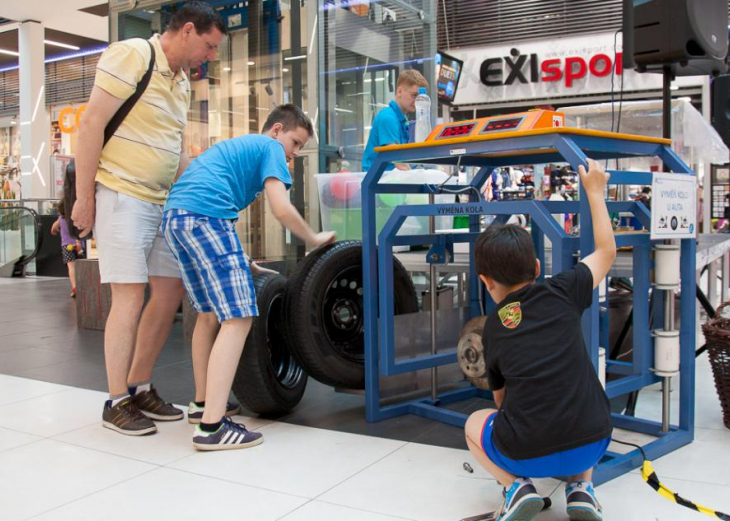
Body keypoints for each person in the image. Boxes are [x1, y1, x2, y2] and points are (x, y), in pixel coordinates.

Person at [71, 1, 227, 436]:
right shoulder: (133, 54)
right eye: (210, 47)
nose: (210, 57)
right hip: (121, 194)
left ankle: (139, 386)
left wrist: (194, 200)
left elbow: (175, 152)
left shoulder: (181, 85)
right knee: (129, 294)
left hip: (162, 204)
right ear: (189, 31)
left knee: (170, 288)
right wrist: (85, 198)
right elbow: (91, 125)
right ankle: (116, 399)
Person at [161, 104, 336, 450]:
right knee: (238, 317)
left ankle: (201, 406)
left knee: (208, 315)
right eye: (295, 143)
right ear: (276, 130)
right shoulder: (269, 147)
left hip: (177, 218)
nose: (295, 154)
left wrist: (242, 262)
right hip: (204, 218)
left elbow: (210, 200)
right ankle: (212, 428)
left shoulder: (241, 149)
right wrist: (313, 238)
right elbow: (281, 208)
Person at [464, 158, 615, 521]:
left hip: (526, 451)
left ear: (485, 282)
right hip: (594, 441)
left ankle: (516, 488)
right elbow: (607, 251)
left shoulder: (494, 327)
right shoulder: (564, 289)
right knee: (584, 397)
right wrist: (594, 192)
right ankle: (581, 489)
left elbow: (501, 402)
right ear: (536, 268)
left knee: (474, 424)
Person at [361, 69, 429, 172]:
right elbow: (399, 163)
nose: (418, 101)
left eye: (420, 97)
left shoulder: (401, 120)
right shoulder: (388, 118)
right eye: (414, 95)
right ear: (399, 91)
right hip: (377, 182)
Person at [51, 199, 83, 298]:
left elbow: (53, 229)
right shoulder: (74, 218)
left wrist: (55, 231)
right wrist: (78, 242)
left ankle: (75, 287)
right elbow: (77, 231)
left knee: (71, 267)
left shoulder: (60, 219)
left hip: (66, 245)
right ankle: (84, 286)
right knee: (81, 267)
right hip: (78, 245)